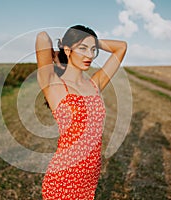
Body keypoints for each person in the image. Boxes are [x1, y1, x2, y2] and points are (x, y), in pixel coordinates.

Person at [35, 25, 127, 199]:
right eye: (83, 49)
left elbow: (121, 47)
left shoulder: (95, 83)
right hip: (63, 178)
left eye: (93, 50)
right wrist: (61, 50)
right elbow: (42, 37)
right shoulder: (54, 85)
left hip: (90, 178)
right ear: (68, 49)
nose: (90, 55)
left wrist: (91, 43)